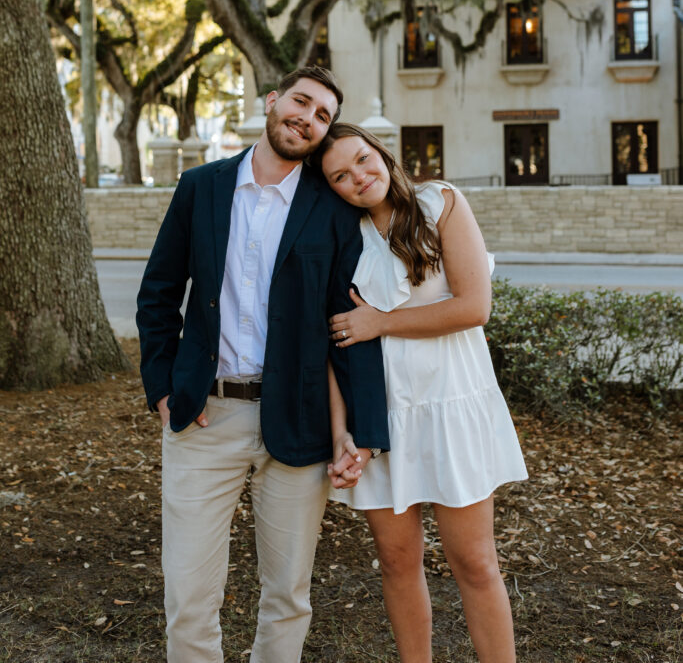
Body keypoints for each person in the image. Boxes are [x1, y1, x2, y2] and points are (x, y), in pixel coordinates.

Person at [136, 68, 389, 663]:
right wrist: (164, 387)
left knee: (288, 596)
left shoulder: (330, 208)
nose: (308, 117)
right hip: (205, 415)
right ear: (273, 102)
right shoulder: (201, 187)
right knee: (190, 598)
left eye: (323, 115)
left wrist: (362, 429)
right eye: (302, 102)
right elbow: (159, 291)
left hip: (297, 424)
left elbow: (347, 322)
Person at [316, 122, 528, 663]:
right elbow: (338, 344)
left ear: (381, 153)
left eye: (363, 160)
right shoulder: (344, 238)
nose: (358, 178)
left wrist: (380, 322)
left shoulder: (442, 204)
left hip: (454, 407)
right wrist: (345, 431)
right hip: (382, 420)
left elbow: (474, 306)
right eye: (340, 175)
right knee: (396, 562)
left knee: (475, 563)